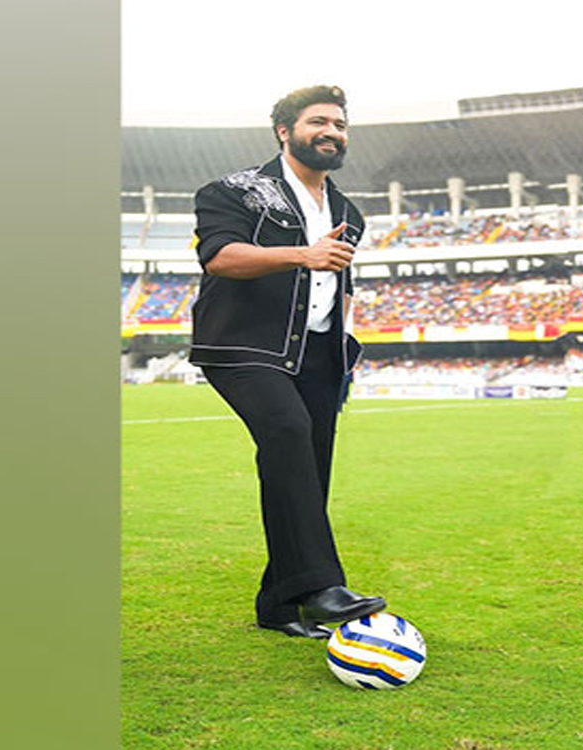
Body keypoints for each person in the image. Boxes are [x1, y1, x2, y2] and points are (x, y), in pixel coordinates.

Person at [188, 85, 385, 639]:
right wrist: (304, 253)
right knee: (286, 428)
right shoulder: (233, 191)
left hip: (319, 356)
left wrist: (342, 353)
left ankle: (278, 604)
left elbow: (340, 283)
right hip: (245, 347)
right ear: (285, 130)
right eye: (319, 121)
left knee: (307, 465)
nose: (332, 131)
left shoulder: (347, 210)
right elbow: (220, 257)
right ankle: (320, 587)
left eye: (341, 124)